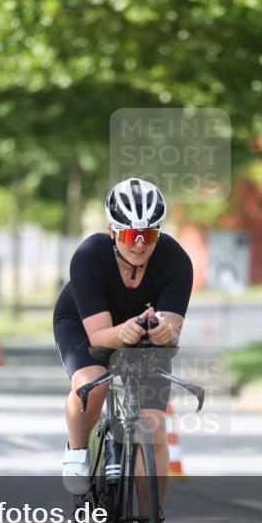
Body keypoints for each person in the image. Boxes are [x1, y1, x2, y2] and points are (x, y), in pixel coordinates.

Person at [53, 177, 193, 494]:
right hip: (85, 323)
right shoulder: (89, 255)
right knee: (92, 383)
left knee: (154, 425)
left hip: (140, 334)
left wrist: (161, 332)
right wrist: (123, 331)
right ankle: (76, 451)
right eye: (131, 234)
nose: (140, 243)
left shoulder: (176, 260)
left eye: (149, 234)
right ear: (113, 231)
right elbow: (99, 337)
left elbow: (172, 332)